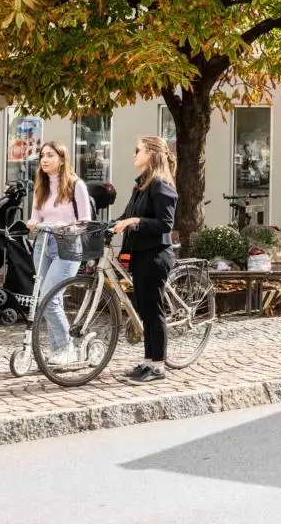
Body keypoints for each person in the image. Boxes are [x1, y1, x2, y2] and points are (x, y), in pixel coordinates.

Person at [112, 135, 178, 385]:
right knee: (145, 309)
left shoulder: (161, 184)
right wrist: (114, 223)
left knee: (153, 310)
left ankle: (159, 366)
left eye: (137, 150)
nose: (134, 154)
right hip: (141, 253)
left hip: (155, 254)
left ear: (151, 154)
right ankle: (149, 361)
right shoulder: (142, 184)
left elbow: (165, 223)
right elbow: (129, 214)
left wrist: (135, 222)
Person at [26, 142, 92, 366]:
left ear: (62, 159)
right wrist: (33, 223)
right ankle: (57, 351)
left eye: (50, 155)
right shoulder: (41, 186)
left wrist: (67, 227)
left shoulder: (76, 185)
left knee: (48, 297)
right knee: (47, 299)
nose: (44, 160)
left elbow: (85, 221)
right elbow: (35, 216)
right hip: (43, 243)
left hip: (68, 244)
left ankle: (67, 348)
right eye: (42, 156)